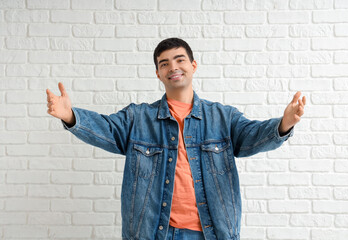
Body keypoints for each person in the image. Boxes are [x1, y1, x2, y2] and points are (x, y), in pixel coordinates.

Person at [46, 38, 306, 240]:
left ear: (193, 65)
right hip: (154, 232)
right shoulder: (138, 117)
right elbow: (105, 129)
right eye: (164, 63)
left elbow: (253, 137)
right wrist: (70, 115)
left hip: (209, 232)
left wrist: (284, 124)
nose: (173, 67)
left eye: (179, 60)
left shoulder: (223, 117)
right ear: (158, 74)